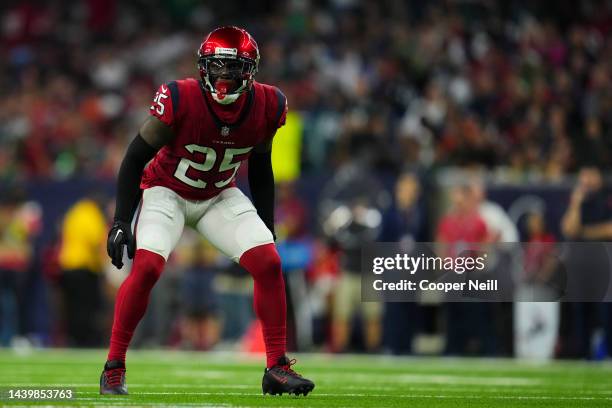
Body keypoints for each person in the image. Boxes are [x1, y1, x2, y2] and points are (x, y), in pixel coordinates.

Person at [100, 26, 314, 396]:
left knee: (268, 261)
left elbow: (261, 166)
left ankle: (276, 366)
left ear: (251, 71)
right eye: (216, 67)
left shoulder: (268, 104)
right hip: (167, 190)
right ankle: (114, 366)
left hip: (218, 194)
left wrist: (266, 224)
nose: (224, 77)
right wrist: (122, 219)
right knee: (148, 266)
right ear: (203, 68)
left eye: (233, 69)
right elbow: (135, 157)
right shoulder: (180, 97)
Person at [58, 194, 108, 346]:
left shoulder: (74, 212)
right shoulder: (92, 213)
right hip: (84, 267)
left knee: (72, 308)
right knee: (85, 308)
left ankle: (72, 339)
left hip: (67, 265)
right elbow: (95, 240)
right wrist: (104, 263)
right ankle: (84, 341)